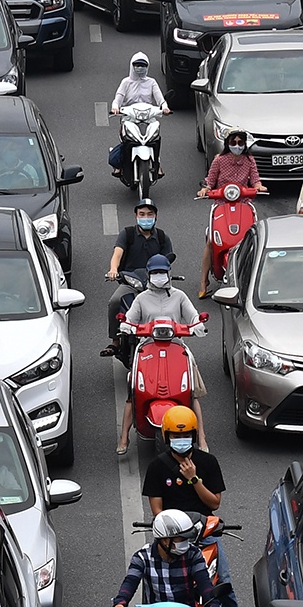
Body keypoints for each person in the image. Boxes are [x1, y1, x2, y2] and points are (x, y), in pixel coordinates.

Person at [143, 407, 247, 607]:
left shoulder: (207, 463)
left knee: (223, 583)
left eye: (188, 434)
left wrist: (194, 479)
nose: (183, 439)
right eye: (178, 435)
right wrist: (172, 532)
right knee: (152, 580)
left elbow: (214, 502)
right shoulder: (157, 467)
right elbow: (157, 510)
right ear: (166, 437)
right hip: (171, 538)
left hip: (204, 534)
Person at [114, 259, 207, 454]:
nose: (159, 276)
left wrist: (198, 324)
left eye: (162, 272)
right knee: (133, 389)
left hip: (176, 346)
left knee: (192, 390)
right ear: (149, 275)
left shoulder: (179, 296)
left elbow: (193, 317)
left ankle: (202, 438)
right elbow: (130, 318)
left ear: (169, 273)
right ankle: (124, 438)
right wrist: (126, 325)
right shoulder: (142, 299)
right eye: (155, 272)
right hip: (147, 346)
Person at [104, 200, 175, 347]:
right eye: (142, 214)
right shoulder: (127, 234)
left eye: (150, 214)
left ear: (156, 217)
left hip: (156, 283)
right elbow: (117, 253)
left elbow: (167, 260)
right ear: (136, 216)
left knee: (171, 305)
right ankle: (114, 340)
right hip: (131, 281)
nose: (146, 217)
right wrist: (113, 270)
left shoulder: (162, 237)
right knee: (114, 302)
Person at [108, 54, 168, 178]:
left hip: (148, 117)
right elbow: (118, 98)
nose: (140, 68)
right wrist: (115, 107)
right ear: (132, 66)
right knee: (126, 141)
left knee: (155, 140)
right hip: (129, 117)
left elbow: (160, 99)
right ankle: (119, 165)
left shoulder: (152, 82)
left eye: (143, 65)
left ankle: (157, 164)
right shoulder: (126, 82)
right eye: (137, 65)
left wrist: (165, 107)